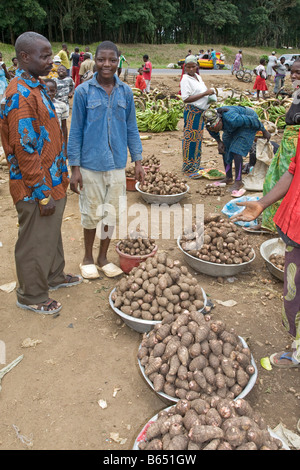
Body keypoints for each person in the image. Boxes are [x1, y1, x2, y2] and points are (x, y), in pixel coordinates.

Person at [0, 31, 81, 315]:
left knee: (50, 234)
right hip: (35, 187)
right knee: (34, 240)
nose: (51, 60)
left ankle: (54, 276)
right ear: (24, 57)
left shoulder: (34, 86)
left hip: (52, 180)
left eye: (50, 54)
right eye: (43, 56)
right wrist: (41, 194)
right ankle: (31, 295)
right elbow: (25, 151)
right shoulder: (20, 95)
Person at [67, 40, 145, 280]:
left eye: (112, 60)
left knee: (110, 214)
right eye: (101, 59)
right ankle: (88, 258)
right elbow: (76, 130)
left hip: (117, 164)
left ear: (118, 61)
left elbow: (132, 127)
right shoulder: (83, 92)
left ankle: (103, 257)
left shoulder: (125, 92)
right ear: (95, 61)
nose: (106, 65)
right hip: (90, 164)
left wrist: (138, 161)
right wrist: (75, 168)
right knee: (91, 214)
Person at [231, 131, 300, 369]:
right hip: (295, 228)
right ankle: (297, 349)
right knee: (294, 292)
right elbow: (293, 171)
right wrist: (261, 203)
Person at [262, 59, 300, 232]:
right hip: (288, 145)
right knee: (272, 182)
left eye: (298, 72)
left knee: (290, 188)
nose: (293, 75)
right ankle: (273, 223)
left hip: (295, 148)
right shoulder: (297, 92)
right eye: (292, 71)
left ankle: (285, 227)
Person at [203, 106, 271, 195]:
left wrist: (264, 131)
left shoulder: (233, 119)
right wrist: (219, 142)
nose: (215, 130)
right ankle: (228, 177)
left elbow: (253, 120)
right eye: (212, 128)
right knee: (225, 149)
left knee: (236, 150)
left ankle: (238, 181)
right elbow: (213, 131)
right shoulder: (209, 122)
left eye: (215, 127)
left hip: (248, 124)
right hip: (231, 127)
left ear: (220, 120)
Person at [180, 55, 215, 174]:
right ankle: (188, 166)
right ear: (185, 67)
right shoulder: (185, 79)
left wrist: (209, 96)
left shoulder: (198, 77)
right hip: (192, 112)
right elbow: (186, 98)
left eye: (193, 66)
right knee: (190, 139)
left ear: (197, 66)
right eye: (188, 67)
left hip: (200, 113)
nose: (190, 69)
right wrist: (205, 93)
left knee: (198, 139)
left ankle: (195, 164)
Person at [44, 78, 68, 155]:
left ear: (56, 91)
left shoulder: (62, 105)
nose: (49, 93)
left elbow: (64, 127)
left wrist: (65, 147)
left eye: (52, 91)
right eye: (46, 90)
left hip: (57, 140)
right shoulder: (38, 106)